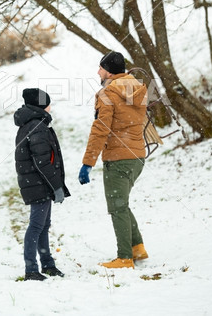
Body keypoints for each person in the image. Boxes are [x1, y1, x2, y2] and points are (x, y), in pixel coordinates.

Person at [78, 52, 148, 269]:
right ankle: (137, 247)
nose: (98, 72)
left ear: (108, 71)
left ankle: (125, 258)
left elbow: (100, 129)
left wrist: (88, 162)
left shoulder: (107, 94)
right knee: (122, 205)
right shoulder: (135, 88)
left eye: (100, 68)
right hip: (137, 156)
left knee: (117, 207)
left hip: (118, 158)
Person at [14, 88, 70, 281]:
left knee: (43, 225)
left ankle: (48, 264)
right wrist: (56, 186)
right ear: (41, 106)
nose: (50, 106)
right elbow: (42, 162)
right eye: (48, 103)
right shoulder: (37, 126)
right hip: (38, 184)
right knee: (36, 226)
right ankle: (31, 269)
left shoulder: (32, 124)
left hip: (37, 183)